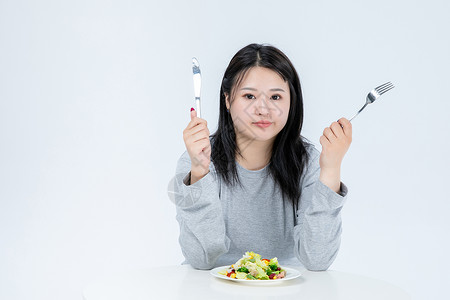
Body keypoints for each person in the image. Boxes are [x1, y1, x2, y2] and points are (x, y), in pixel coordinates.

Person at [170, 43, 352, 271]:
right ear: (227, 100)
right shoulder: (195, 160)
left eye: (276, 97)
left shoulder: (309, 163)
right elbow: (201, 259)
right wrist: (199, 172)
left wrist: (331, 170)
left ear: (291, 102)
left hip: (287, 291)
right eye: (249, 96)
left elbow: (317, 259)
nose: (263, 109)